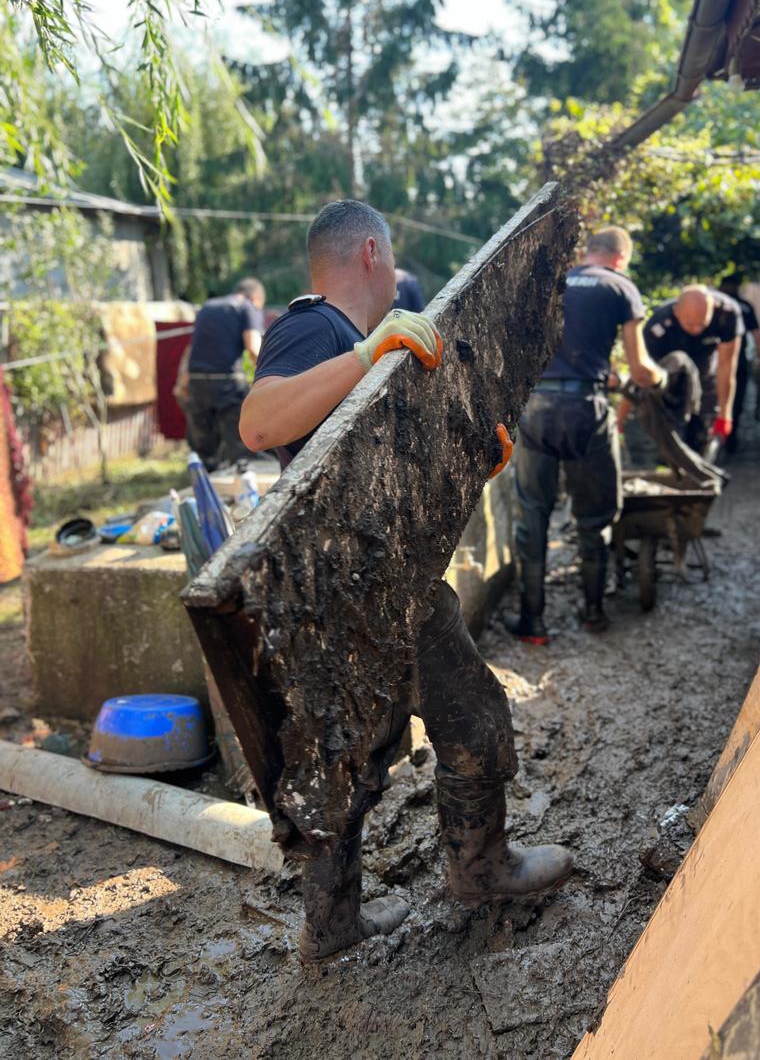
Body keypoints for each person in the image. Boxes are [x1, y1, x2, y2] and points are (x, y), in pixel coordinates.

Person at [239, 199, 574, 965]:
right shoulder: (316, 328)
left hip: (369, 585)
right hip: (366, 591)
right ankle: (481, 870)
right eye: (390, 257)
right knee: (477, 723)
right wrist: (366, 356)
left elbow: (388, 476)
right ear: (370, 252)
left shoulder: (362, 342)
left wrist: (471, 465)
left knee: (357, 751)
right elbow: (259, 425)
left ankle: (331, 924)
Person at [506, 227, 665, 640]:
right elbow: (641, 366)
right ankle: (593, 613)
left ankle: (533, 622)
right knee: (594, 518)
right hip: (585, 410)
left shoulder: (554, 283)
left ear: (587, 252)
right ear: (621, 258)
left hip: (537, 407)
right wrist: (658, 377)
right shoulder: (620, 287)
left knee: (533, 516)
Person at [643, 285, 743, 455]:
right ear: (676, 312)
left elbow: (727, 366)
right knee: (669, 441)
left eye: (702, 324)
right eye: (690, 325)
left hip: (706, 377)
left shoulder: (727, 313)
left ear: (712, 310)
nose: (697, 330)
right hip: (671, 380)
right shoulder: (658, 324)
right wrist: (621, 420)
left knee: (701, 437)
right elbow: (642, 374)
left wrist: (725, 415)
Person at [185, 278, 266, 470]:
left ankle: (205, 488)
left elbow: (191, 347)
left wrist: (182, 381)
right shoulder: (247, 308)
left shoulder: (207, 306)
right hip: (226, 383)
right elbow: (254, 348)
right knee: (239, 447)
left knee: (205, 450)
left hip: (196, 382)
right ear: (255, 299)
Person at [718, 277, 760, 454]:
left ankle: (721, 438)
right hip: (738, 360)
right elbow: (757, 336)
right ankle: (730, 438)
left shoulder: (720, 304)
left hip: (720, 359)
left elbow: (757, 334)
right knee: (735, 399)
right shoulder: (744, 306)